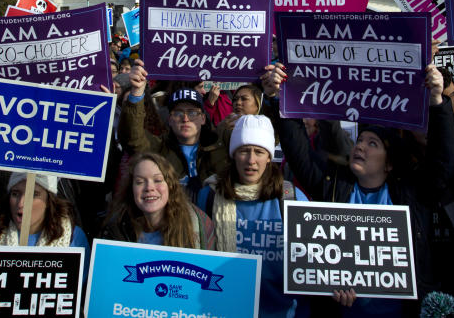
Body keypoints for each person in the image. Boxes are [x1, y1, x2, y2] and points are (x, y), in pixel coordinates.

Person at [271, 64, 454, 314]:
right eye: (359, 140)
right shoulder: (332, 186)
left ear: (389, 163)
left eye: (372, 144)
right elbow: (298, 149)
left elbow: (442, 162)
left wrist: (436, 101)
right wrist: (279, 96)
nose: (360, 147)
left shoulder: (410, 194)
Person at [198, 114, 308, 318]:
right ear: (233, 154)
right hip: (224, 309)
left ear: (269, 156)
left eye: (259, 152)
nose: (251, 160)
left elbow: (312, 262)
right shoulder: (210, 196)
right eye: (243, 151)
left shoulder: (291, 199)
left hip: (283, 312)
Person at [119, 60, 229, 202]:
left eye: (192, 113)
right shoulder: (158, 149)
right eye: (178, 113)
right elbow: (132, 137)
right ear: (169, 120)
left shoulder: (221, 147)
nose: (185, 118)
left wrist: (268, 92)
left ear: (203, 118)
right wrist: (136, 93)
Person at [101, 152, 215, 248]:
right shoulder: (116, 227)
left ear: (170, 185)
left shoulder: (198, 225)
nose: (149, 188)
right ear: (131, 189)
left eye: (157, 180)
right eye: (140, 182)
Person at [0, 172, 88, 248]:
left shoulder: (75, 238)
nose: (21, 203)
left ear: (49, 201)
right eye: (15, 194)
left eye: (34, 195)